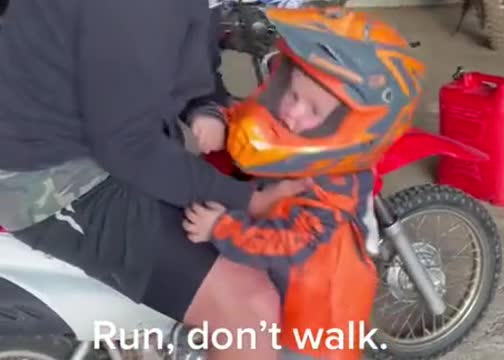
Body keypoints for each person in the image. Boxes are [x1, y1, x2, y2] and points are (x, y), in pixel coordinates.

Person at [0, 1, 306, 359]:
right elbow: (128, 148)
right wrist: (246, 198)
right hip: (46, 176)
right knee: (248, 308)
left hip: (99, 137)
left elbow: (184, 55)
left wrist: (204, 106)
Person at [183, 6, 426, 359]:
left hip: (313, 328)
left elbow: (286, 243)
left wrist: (221, 229)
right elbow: (251, 116)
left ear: (353, 129)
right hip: (277, 291)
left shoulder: (335, 188)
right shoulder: (298, 132)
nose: (291, 113)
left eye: (312, 110)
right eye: (291, 94)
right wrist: (211, 116)